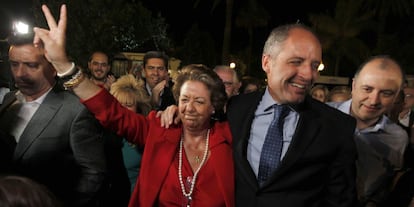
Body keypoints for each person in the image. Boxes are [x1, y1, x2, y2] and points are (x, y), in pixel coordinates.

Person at [33, 5, 234, 206]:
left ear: (213, 106)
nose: (189, 108)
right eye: (184, 100)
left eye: (199, 101)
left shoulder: (230, 139)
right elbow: (112, 112)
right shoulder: (160, 129)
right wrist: (64, 66)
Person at [162, 23, 358, 206]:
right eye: (296, 62)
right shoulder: (234, 109)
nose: (308, 75)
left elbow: (341, 200)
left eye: (315, 66)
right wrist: (177, 114)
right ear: (267, 62)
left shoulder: (337, 126)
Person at [0, 25, 107, 207]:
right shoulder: (9, 101)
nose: (19, 73)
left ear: (53, 68)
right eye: (14, 64)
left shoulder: (75, 110)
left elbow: (94, 173)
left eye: (31, 65)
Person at [327, 55, 409, 206]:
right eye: (367, 89)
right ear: (354, 86)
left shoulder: (398, 137)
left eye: (386, 93)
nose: (373, 100)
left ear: (396, 96)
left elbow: (386, 182)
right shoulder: (321, 117)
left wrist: (374, 201)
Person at [109, 74, 151, 193]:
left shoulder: (145, 135)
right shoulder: (103, 133)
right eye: (119, 105)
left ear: (138, 108)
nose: (123, 110)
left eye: (128, 105)